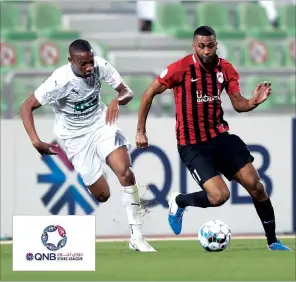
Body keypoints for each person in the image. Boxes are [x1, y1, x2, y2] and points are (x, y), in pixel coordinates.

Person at [136, 26, 291, 251]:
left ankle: (273, 241)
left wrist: (253, 102)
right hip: (192, 145)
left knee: (257, 187)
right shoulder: (180, 69)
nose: (207, 51)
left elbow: (238, 103)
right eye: (202, 46)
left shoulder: (225, 69)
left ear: (216, 45)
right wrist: (141, 130)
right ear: (194, 46)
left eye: (210, 45)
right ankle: (179, 202)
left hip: (220, 138)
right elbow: (149, 93)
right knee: (219, 196)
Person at [20, 39, 156, 252]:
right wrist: (35, 140)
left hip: (101, 125)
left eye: (90, 61)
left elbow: (126, 91)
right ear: (70, 61)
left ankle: (137, 236)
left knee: (126, 173)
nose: (89, 67)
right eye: (83, 63)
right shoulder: (59, 81)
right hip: (76, 139)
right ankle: (104, 168)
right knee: (103, 195)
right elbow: (26, 106)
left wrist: (116, 100)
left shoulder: (99, 66)